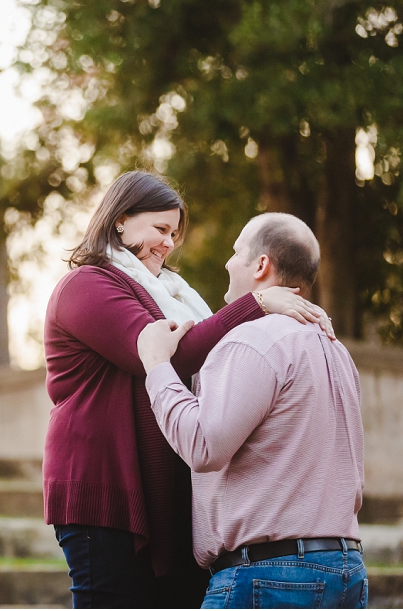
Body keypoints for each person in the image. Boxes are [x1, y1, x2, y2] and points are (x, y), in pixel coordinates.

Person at [43, 172, 331, 609]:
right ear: (120, 220)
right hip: (106, 490)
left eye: (174, 233)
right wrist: (257, 303)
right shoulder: (88, 285)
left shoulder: (169, 296)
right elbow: (163, 355)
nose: (169, 243)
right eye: (160, 229)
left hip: (162, 494)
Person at [136, 212, 366, 609]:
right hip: (346, 571)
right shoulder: (335, 349)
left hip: (270, 577)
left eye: (236, 251)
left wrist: (157, 367)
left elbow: (204, 445)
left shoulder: (250, 339)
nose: (228, 262)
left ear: (261, 265)